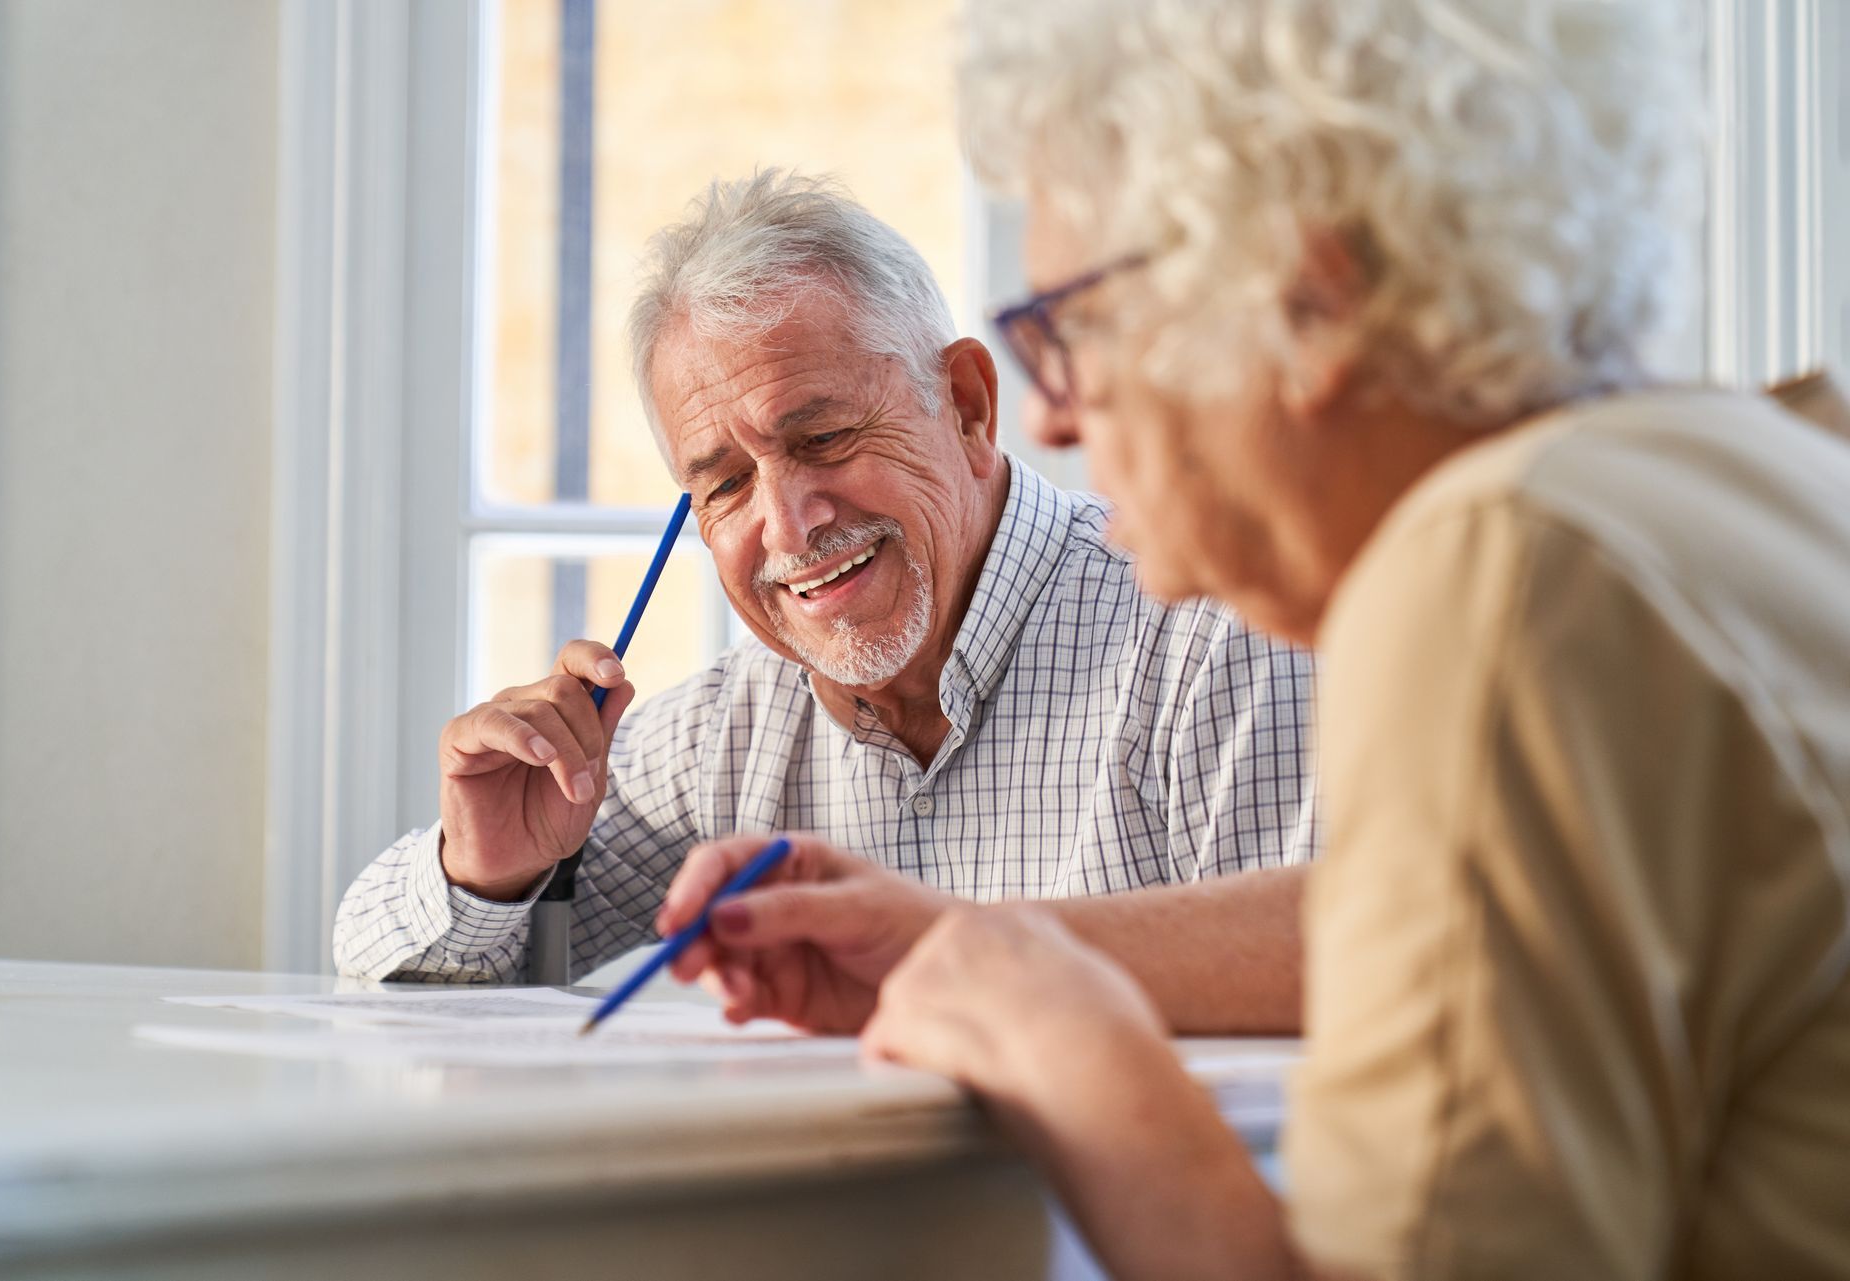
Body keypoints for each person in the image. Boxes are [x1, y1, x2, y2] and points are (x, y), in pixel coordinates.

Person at [659, 2, 1850, 1277]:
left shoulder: (1499, 570)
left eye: (1076, 330)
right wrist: (980, 947)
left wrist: (1069, 1048)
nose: (1054, 426)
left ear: (1309, 301)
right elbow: (1452, 935)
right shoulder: (1761, 472)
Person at [334, 169, 1316, 1029]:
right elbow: (373, 969)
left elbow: (1344, 986)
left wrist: (952, 949)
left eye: (823, 439)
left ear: (968, 406)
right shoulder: (732, 729)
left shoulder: (1211, 643)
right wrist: (487, 873)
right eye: (723, 484)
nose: (790, 525)